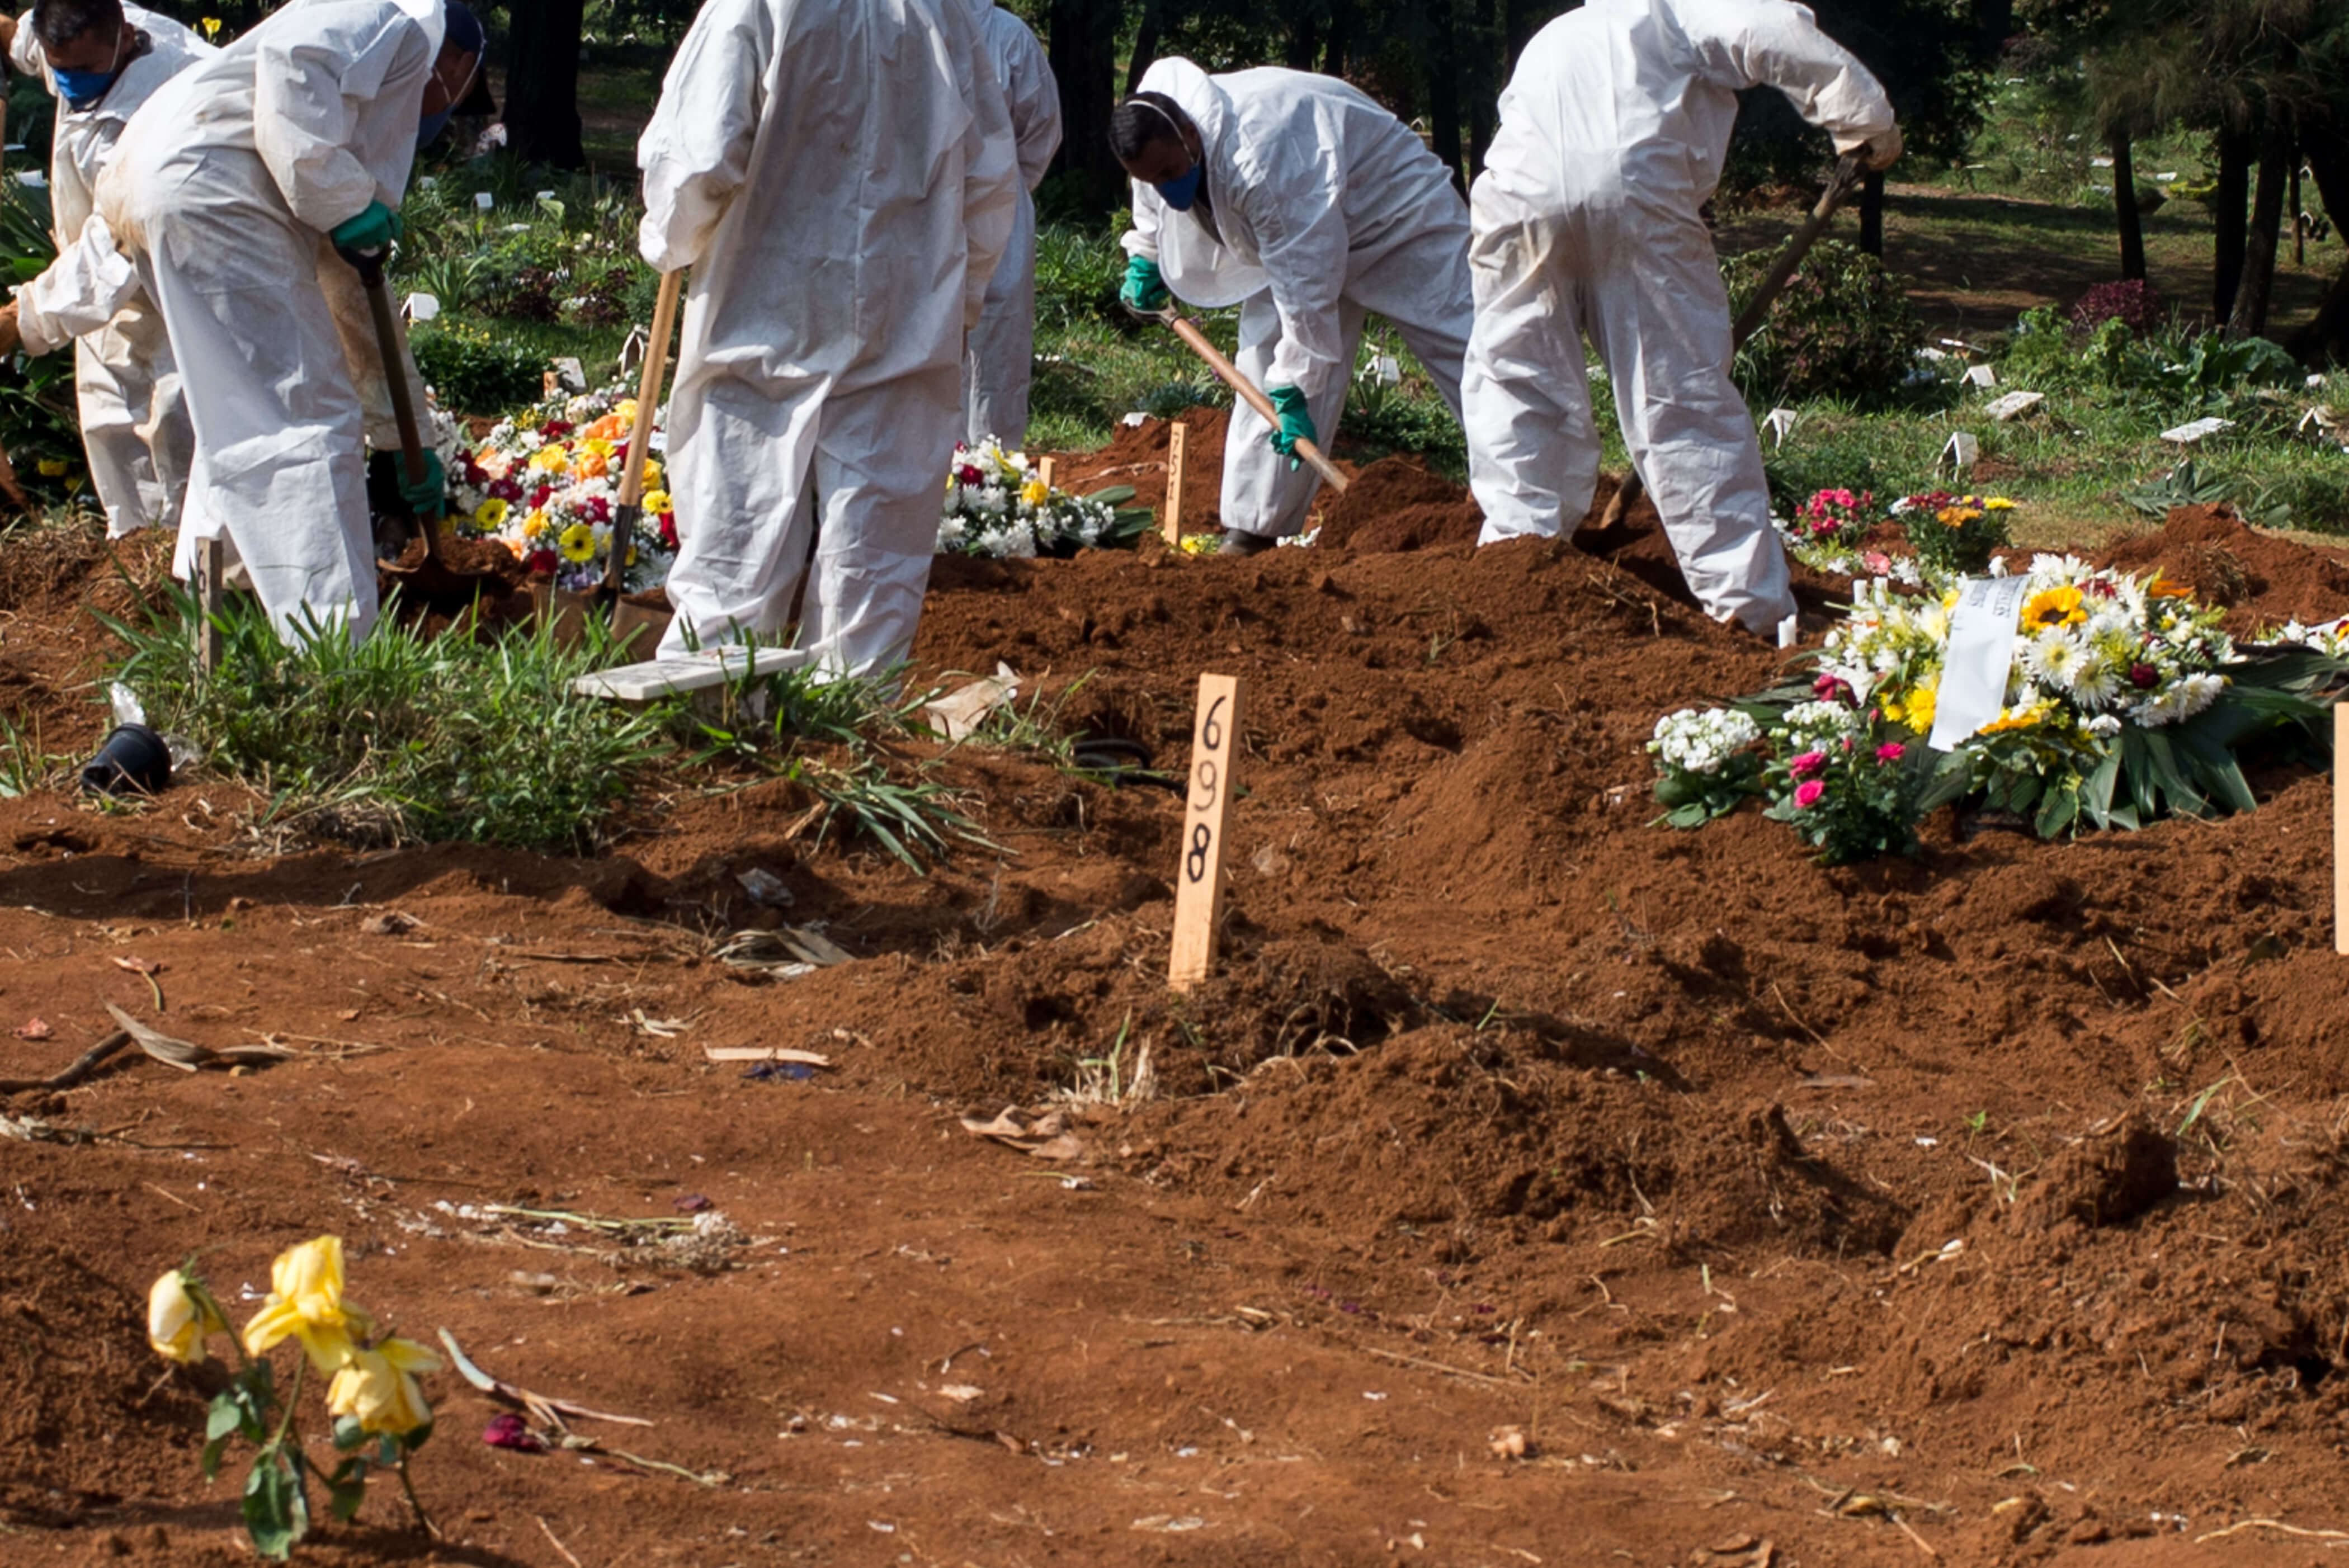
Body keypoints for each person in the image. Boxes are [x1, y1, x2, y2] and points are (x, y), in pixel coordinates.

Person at [1461, 0, 1899, 641]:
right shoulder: (1676, 10)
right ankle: (1745, 608)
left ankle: (1516, 568)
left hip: (1515, 201)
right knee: (1681, 397)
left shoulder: (1560, 32)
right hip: (1634, 189)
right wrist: (1866, 121)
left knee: (1520, 382)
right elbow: (1769, 33)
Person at [640, 0, 1018, 675]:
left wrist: (669, 236)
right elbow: (989, 179)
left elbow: (701, 157)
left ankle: (711, 710)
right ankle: (854, 725)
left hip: (764, 300)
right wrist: (959, 301)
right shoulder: (943, 16)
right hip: (904, 305)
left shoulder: (754, 6)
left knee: (738, 519)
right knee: (874, 544)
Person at [93, 0, 483, 643]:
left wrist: (397, 434)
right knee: (304, 423)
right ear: (461, 65)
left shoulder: (346, 98)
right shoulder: (397, 18)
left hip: (161, 182)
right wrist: (342, 197)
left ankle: (219, 613)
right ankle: (335, 658)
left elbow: (356, 282)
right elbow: (296, 65)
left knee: (237, 411)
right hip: (213, 192)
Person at [1110, 59, 1474, 555]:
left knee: (1470, 346)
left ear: (1193, 136)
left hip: (1395, 215)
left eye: (1172, 173)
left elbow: (1307, 293)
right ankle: (1253, 529)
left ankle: (1536, 493)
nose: (1167, 188)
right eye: (1154, 179)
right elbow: (1151, 197)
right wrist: (1147, 256)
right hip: (1301, 226)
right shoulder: (1152, 130)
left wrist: (1297, 388)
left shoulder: (1258, 161)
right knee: (1264, 362)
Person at [0, 0, 211, 540]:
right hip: (93, 281)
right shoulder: (74, 39)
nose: (68, 81)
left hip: (177, 281)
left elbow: (113, 250)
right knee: (109, 426)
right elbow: (16, 39)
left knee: (177, 421)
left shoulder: (174, 101)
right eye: (58, 67)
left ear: (125, 34)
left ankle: (197, 576)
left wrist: (18, 320)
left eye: (84, 70)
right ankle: (138, 563)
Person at [961, 2, 1059, 449]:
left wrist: (1004, 189)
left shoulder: (1009, 37)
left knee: (996, 345)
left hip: (999, 211)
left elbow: (1040, 129)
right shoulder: (903, 28)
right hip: (917, 212)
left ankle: (990, 483)